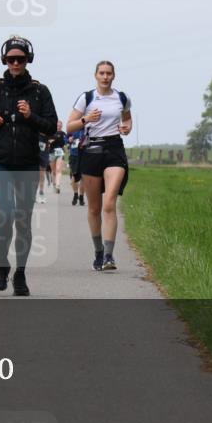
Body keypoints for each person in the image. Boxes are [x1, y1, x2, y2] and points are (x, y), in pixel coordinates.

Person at [0, 36, 57, 296]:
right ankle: (2, 265)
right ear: (4, 60)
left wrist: (30, 116)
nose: (15, 63)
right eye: (11, 59)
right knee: (6, 214)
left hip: (27, 163)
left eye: (20, 59)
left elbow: (51, 126)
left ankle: (20, 272)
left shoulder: (39, 91)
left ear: (27, 60)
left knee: (23, 219)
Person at [65, 60, 132, 272]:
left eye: (108, 73)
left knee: (109, 203)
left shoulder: (122, 97)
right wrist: (86, 119)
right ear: (96, 75)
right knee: (94, 208)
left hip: (114, 149)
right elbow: (69, 127)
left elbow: (127, 120)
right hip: (91, 150)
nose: (105, 77)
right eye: (101, 73)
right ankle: (98, 252)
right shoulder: (86, 98)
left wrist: (126, 128)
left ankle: (109, 256)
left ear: (114, 75)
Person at [48, 122, 67, 194]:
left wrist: (67, 142)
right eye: (57, 126)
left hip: (60, 152)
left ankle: (58, 186)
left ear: (62, 126)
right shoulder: (50, 133)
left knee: (58, 169)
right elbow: (47, 141)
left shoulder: (63, 134)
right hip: (51, 153)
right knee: (53, 171)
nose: (59, 127)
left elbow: (66, 142)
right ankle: (54, 184)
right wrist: (49, 142)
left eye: (60, 126)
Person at [68, 127, 85, 206]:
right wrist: (69, 140)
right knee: (74, 176)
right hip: (74, 155)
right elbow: (66, 138)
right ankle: (75, 194)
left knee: (83, 177)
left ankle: (81, 196)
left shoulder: (87, 128)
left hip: (85, 155)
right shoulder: (73, 128)